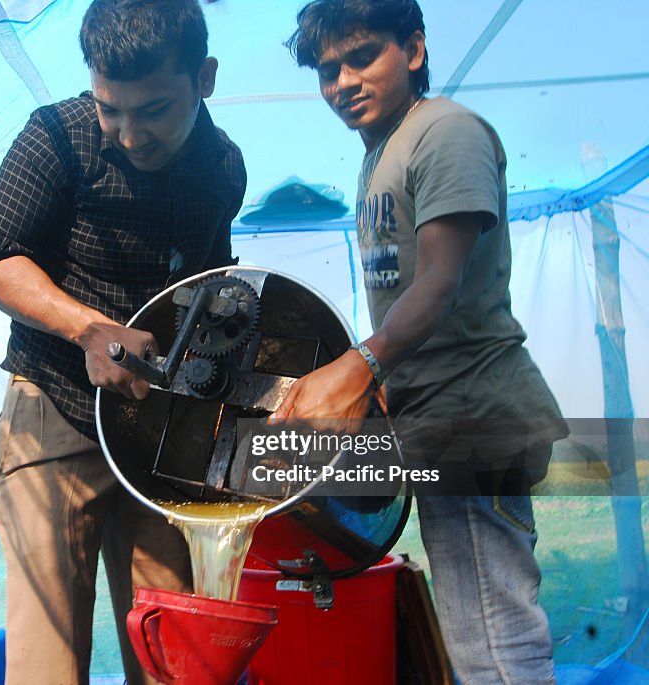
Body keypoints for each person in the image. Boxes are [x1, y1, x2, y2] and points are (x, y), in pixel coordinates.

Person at [276, 1, 568, 683]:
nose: (342, 81)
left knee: (495, 635)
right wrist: (376, 378)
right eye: (327, 70)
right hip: (435, 414)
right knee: (475, 626)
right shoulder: (383, 153)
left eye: (361, 57)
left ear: (412, 49)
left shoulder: (445, 133)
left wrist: (362, 363)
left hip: (474, 409)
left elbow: (441, 280)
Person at [0, 1, 246, 682]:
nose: (128, 134)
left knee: (172, 644)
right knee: (47, 656)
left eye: (152, 110)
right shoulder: (56, 136)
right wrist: (88, 327)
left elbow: (212, 290)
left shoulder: (222, 168)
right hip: (54, 408)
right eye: (109, 109)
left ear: (204, 78)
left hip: (156, 431)